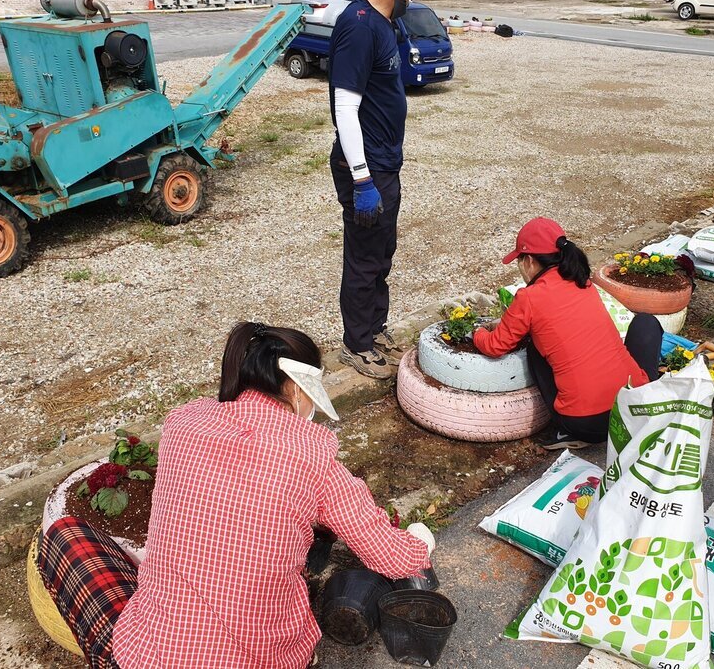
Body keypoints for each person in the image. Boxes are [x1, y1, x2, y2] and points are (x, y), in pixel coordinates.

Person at [37, 322, 435, 668]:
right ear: (295, 387)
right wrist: (420, 540)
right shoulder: (313, 451)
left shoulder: (183, 422)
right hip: (263, 657)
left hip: (148, 655)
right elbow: (390, 555)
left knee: (65, 534)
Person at [472, 217, 663, 449]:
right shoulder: (583, 282)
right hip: (635, 409)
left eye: (519, 261)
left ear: (529, 260)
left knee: (534, 344)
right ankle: (653, 390)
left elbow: (495, 346)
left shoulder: (529, 297)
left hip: (588, 425)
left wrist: (477, 332)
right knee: (645, 322)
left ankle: (565, 431)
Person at [328, 0, 417, 379]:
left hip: (385, 164)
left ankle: (375, 330)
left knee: (383, 254)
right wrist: (362, 178)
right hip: (366, 169)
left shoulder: (384, 22)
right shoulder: (360, 25)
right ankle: (357, 345)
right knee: (364, 260)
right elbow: (344, 107)